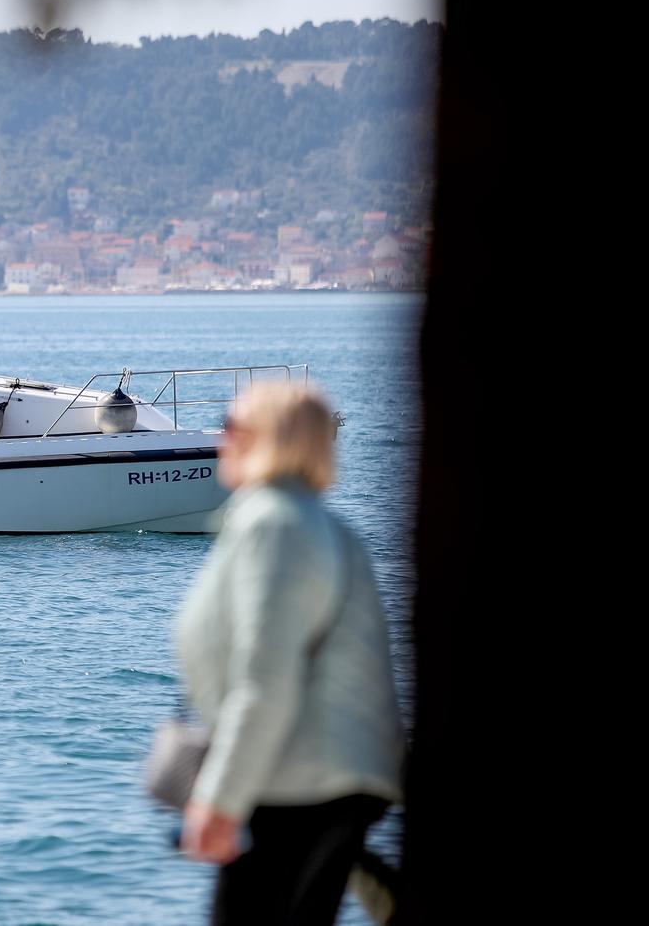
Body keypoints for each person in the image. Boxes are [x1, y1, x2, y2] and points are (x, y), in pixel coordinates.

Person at [174, 382, 403, 925]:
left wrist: (221, 796)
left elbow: (266, 678)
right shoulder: (323, 524)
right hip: (331, 779)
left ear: (267, 439)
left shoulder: (272, 524)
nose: (219, 439)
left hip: (294, 783)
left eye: (231, 426)